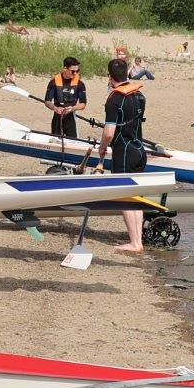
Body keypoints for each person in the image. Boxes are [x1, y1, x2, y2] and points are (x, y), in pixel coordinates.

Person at [95, 58, 147, 252]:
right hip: (139, 150)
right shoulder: (140, 95)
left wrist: (102, 147)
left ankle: (135, 243)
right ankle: (137, 240)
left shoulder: (115, 99)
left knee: (126, 197)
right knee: (136, 196)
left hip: (124, 153)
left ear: (110, 76)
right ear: (127, 74)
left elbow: (109, 133)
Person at [44, 56, 86, 138]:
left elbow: (83, 104)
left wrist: (73, 108)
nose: (75, 73)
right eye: (73, 71)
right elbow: (47, 101)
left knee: (73, 143)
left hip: (71, 120)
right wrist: (55, 108)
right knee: (56, 143)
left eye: (77, 71)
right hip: (57, 119)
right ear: (65, 68)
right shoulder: (53, 83)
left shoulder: (80, 84)